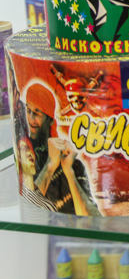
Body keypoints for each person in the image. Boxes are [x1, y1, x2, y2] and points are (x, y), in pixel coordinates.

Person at [22, 84, 98, 216]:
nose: (31, 119)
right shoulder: (26, 155)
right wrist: (50, 166)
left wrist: (69, 172)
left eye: (37, 113)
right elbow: (28, 207)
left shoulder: (72, 163)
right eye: (28, 110)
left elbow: (93, 219)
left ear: (50, 120)